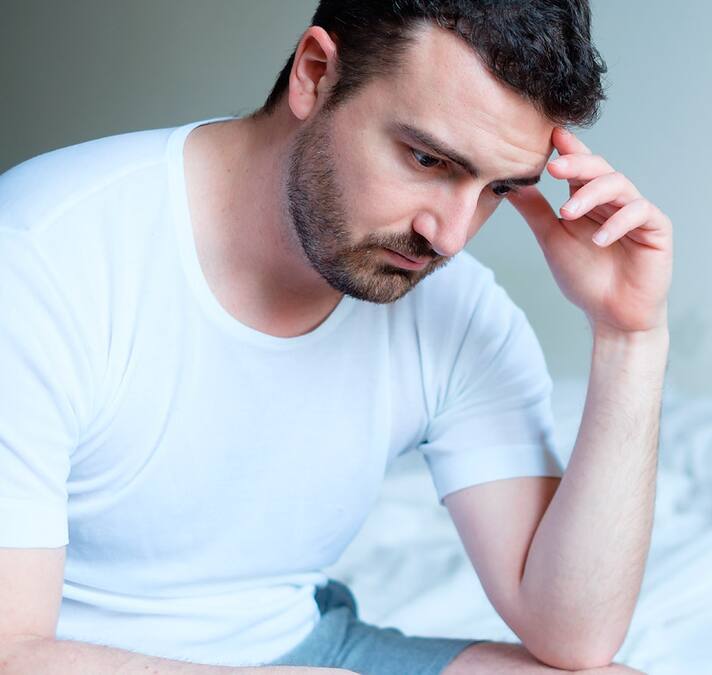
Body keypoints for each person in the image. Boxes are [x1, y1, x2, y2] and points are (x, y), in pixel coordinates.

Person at [0, 1, 672, 673]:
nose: (449, 236)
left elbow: (571, 637)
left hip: (306, 646)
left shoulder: (458, 312)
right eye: (427, 159)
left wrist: (629, 337)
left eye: (498, 188)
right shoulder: (43, 254)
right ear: (315, 74)